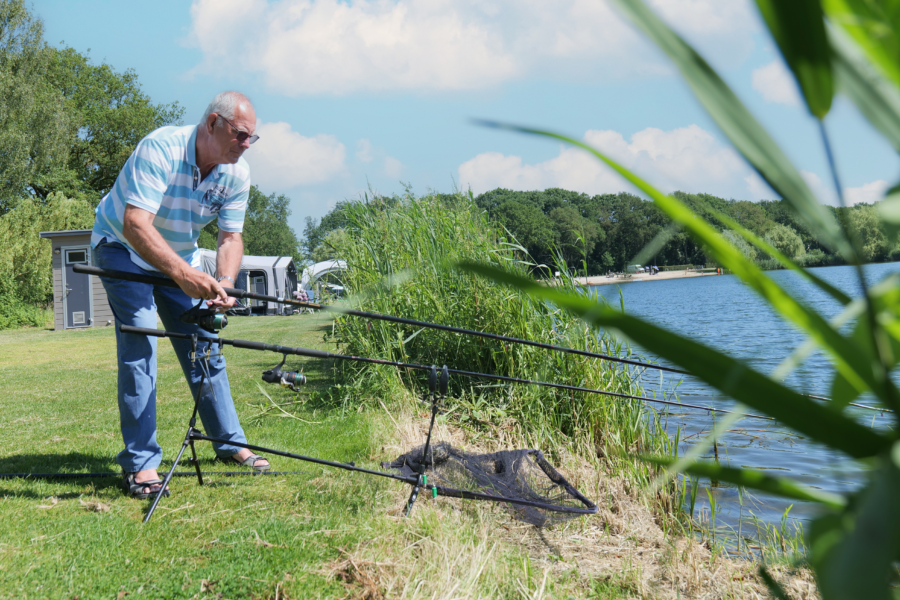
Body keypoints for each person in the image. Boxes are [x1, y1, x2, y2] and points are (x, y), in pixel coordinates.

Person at [91, 91, 270, 499]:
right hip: (122, 247)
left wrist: (223, 281)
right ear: (212, 124)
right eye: (240, 135)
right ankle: (141, 466)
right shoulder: (161, 148)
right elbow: (136, 223)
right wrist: (185, 275)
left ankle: (230, 443)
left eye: (251, 138)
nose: (245, 145)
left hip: (177, 256)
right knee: (141, 337)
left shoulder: (236, 174)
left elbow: (230, 236)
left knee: (205, 341)